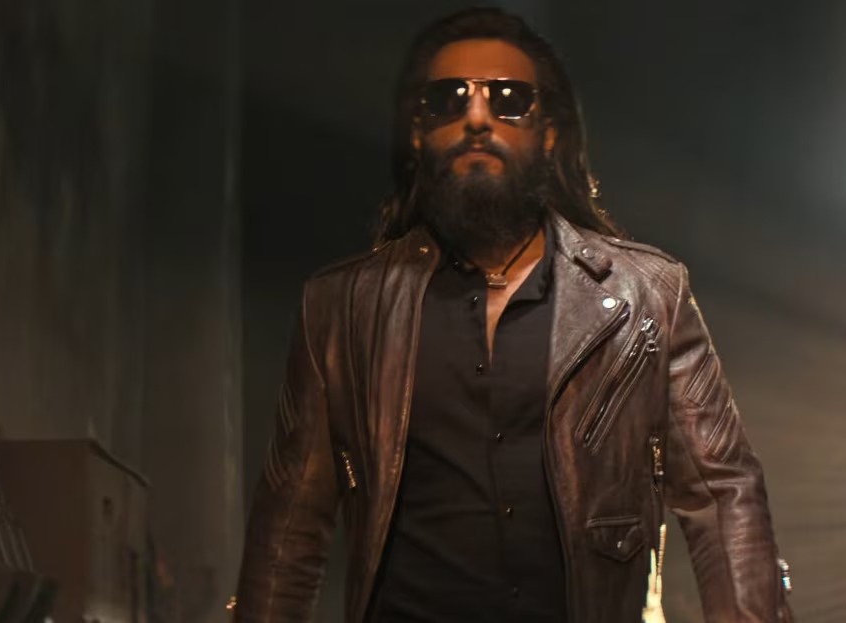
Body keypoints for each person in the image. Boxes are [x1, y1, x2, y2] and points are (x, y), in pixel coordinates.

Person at [235, 8, 787, 622]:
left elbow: (722, 495)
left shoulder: (647, 294)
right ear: (418, 134)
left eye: (508, 99)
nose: (477, 118)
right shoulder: (340, 308)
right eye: (448, 99)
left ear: (548, 133)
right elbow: (289, 529)